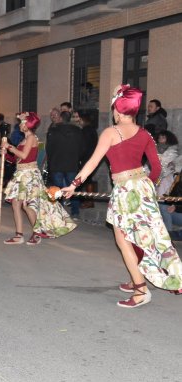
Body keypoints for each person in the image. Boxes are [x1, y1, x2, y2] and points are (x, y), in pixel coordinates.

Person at [62, 84, 182, 308]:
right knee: (146, 235)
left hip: (125, 190)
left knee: (123, 238)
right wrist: (149, 188)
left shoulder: (111, 132)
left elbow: (92, 162)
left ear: (117, 109)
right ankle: (138, 277)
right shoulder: (145, 133)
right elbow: (156, 167)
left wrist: (73, 184)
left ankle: (140, 290)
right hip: (143, 187)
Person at [2, 112, 76, 245]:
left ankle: (37, 232)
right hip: (21, 174)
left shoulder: (31, 138)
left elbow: (24, 156)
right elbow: (18, 159)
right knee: (16, 204)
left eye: (22, 122)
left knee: (28, 205)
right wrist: (6, 154)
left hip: (29, 175)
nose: (20, 124)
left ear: (27, 125)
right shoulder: (24, 139)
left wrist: (10, 147)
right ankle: (19, 234)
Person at [46, 111, 84, 220]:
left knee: (58, 189)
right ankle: (75, 212)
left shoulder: (53, 131)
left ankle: (59, 212)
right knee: (73, 188)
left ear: (61, 119)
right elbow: (81, 147)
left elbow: (49, 149)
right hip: (72, 164)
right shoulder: (77, 131)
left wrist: (51, 161)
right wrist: (78, 158)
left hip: (56, 163)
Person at [154, 130, 178, 196]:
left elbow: (169, 163)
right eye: (159, 138)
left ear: (168, 139)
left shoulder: (172, 151)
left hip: (166, 176)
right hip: (155, 175)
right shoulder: (154, 149)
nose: (161, 139)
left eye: (163, 137)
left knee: (161, 192)